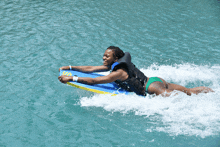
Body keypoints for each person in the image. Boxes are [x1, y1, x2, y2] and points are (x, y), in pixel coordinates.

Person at [58, 46, 213, 97]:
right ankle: (212, 92)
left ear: (116, 58)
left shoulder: (118, 72)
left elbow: (95, 80)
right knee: (190, 92)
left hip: (151, 87)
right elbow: (91, 69)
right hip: (155, 80)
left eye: (107, 56)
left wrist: (72, 79)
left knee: (181, 99)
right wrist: (70, 68)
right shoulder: (114, 65)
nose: (103, 58)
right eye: (104, 55)